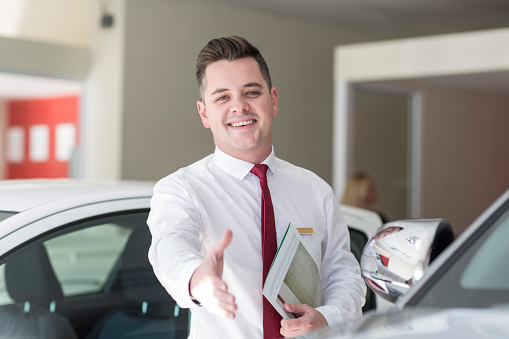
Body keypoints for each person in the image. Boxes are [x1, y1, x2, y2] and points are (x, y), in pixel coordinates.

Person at [147, 35, 366, 339]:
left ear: (273, 100)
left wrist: (328, 318)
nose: (239, 107)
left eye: (251, 92)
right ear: (204, 113)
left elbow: (344, 275)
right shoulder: (181, 189)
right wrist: (198, 280)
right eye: (222, 97)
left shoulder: (316, 191)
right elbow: (169, 247)